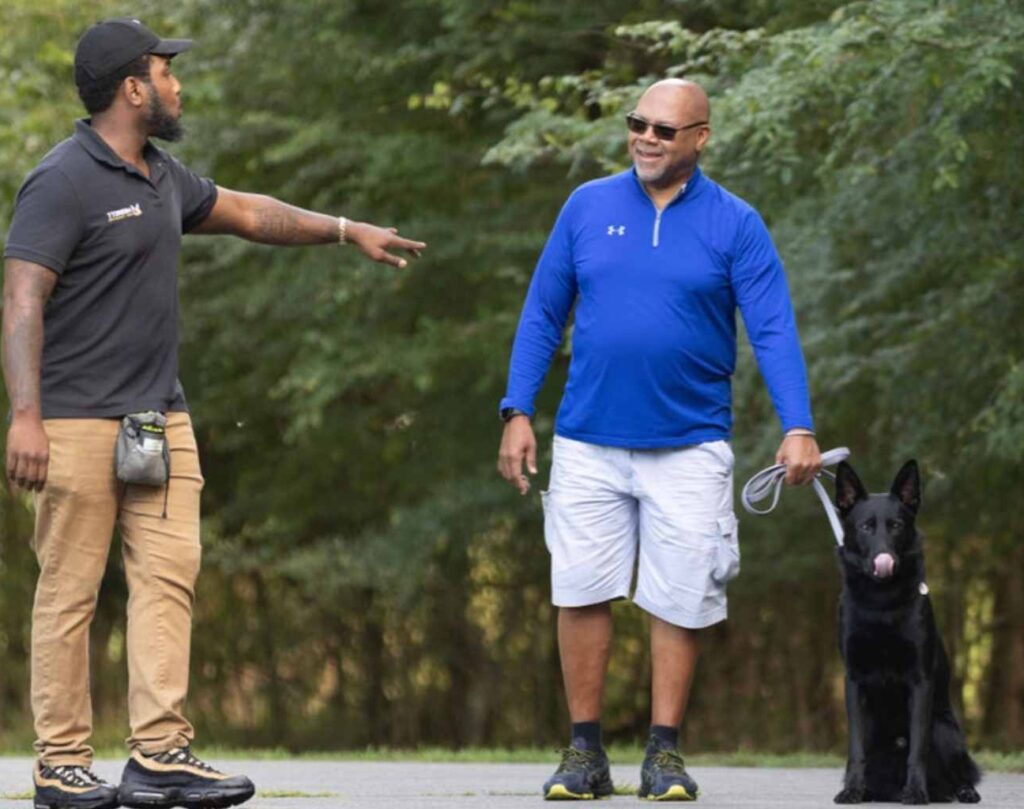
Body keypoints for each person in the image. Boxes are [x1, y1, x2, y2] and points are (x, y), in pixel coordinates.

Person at [2, 17, 424, 809]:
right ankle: (60, 762)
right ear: (133, 87)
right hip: (75, 421)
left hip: (160, 421)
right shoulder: (60, 181)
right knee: (70, 593)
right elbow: (22, 296)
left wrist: (344, 230)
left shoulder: (162, 175)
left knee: (169, 580)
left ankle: (160, 754)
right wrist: (25, 414)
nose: (177, 83)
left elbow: (250, 212)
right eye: (166, 71)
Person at [497, 78, 821, 801]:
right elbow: (542, 312)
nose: (645, 136)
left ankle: (663, 753)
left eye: (663, 129)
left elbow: (772, 328)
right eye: (636, 122)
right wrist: (517, 408)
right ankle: (584, 752)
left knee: (680, 597)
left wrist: (797, 423)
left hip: (691, 442)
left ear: (699, 138)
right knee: (580, 589)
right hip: (588, 439)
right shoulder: (587, 206)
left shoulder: (736, 223)